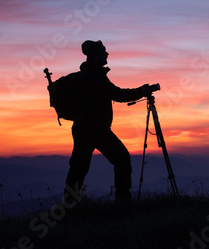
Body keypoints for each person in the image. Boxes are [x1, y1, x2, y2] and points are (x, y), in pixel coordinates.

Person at [64, 40, 150, 202]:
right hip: (95, 129)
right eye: (104, 51)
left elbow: (113, 93)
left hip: (84, 128)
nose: (107, 54)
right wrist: (141, 91)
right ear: (96, 56)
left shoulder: (91, 75)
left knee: (78, 168)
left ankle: (68, 207)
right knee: (121, 159)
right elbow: (117, 94)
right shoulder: (93, 78)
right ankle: (123, 201)